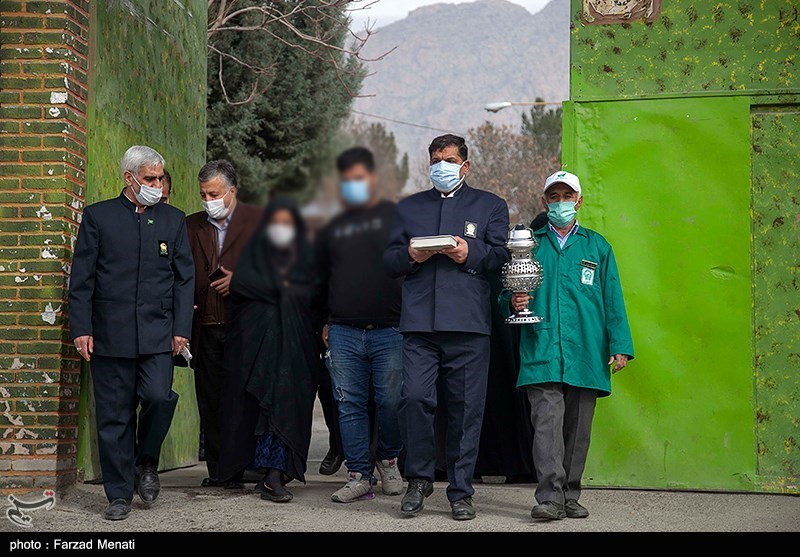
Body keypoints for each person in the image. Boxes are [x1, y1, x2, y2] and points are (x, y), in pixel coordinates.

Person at [384, 134, 510, 521]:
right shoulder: (408, 208)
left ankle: (461, 491)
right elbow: (388, 261)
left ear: (465, 165)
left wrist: (468, 252)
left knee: (466, 409)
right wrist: (410, 253)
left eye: (450, 159)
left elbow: (503, 257)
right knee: (415, 399)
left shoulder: (491, 205)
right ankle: (418, 479)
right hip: (420, 324)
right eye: (436, 159)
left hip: (469, 325)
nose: (443, 165)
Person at [68, 145, 194, 521]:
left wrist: (181, 330)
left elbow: (184, 279)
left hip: (158, 334)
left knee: (158, 396)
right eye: (150, 179)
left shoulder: (173, 220)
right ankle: (119, 494)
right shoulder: (99, 217)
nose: (157, 185)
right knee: (115, 416)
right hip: (109, 334)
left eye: (159, 178)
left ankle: (146, 462)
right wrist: (82, 329)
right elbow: (82, 278)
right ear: (129, 178)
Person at [504, 170, 634, 521]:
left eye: (567, 196)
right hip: (542, 347)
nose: (560, 202)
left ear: (579, 200)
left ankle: (570, 494)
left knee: (578, 430)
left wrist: (620, 344)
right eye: (554, 196)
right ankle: (548, 497)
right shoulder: (529, 244)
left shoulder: (597, 246)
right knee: (546, 425)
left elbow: (613, 299)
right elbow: (508, 293)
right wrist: (513, 302)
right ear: (545, 201)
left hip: (586, 350)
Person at [217, 198, 324, 503]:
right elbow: (244, 289)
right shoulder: (253, 257)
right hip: (258, 353)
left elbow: (310, 293)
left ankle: (277, 473)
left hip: (296, 354)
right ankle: (265, 474)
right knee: (259, 409)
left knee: (286, 410)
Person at [316, 147, 404, 503]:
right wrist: (323, 321)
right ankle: (357, 475)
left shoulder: (398, 219)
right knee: (348, 404)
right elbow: (319, 279)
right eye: (346, 180)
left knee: (390, 401)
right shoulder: (332, 226)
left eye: (359, 178)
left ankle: (389, 462)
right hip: (343, 331)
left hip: (390, 330)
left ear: (373, 179)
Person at [185, 160, 262, 487]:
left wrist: (241, 280)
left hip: (247, 327)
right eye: (203, 194)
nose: (208, 199)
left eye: (214, 193)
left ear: (232, 191)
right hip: (206, 327)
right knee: (211, 401)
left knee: (246, 400)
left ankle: (249, 466)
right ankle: (219, 472)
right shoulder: (191, 226)